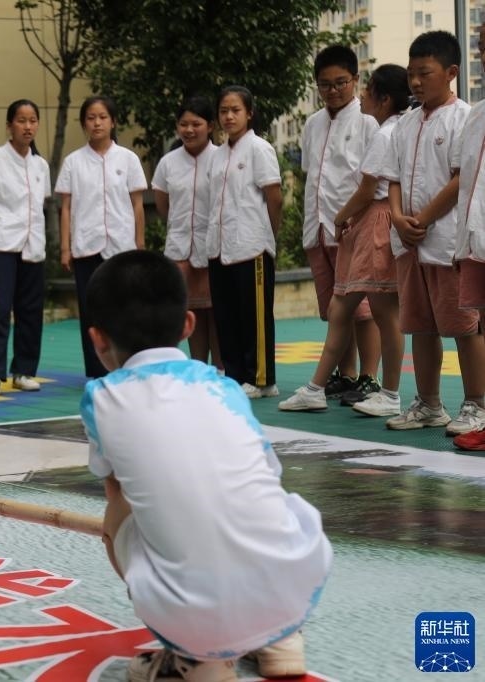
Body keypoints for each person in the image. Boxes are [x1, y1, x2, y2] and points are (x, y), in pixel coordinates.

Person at [82, 250, 331, 682]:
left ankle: (197, 658)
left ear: (97, 339)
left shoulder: (102, 398)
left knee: (117, 508)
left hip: (194, 620)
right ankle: (280, 640)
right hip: (293, 590)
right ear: (188, 325)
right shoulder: (224, 386)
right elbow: (268, 474)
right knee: (266, 495)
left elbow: (118, 493)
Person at [279, 64, 410, 416]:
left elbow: (368, 188)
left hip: (371, 222)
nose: (361, 94)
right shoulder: (396, 129)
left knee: (379, 312)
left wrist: (341, 216)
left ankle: (384, 389)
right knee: (343, 308)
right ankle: (320, 385)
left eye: (365, 88)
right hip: (362, 223)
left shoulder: (383, 132)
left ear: (383, 99)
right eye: (325, 83)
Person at [382, 31, 485, 435]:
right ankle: (428, 403)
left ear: (451, 72)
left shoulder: (464, 117)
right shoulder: (405, 124)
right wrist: (396, 217)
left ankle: (476, 403)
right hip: (409, 244)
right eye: (411, 74)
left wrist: (422, 218)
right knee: (420, 326)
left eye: (424, 73)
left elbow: (461, 179)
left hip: (443, 242)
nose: (415, 82)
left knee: (463, 327)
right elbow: (392, 178)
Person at [298, 46, 382, 406]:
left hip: (352, 229)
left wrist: (354, 219)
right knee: (335, 312)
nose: (333, 90)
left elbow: (372, 180)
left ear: (356, 79)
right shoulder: (312, 124)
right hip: (317, 228)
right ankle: (346, 374)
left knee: (362, 312)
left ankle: (369, 377)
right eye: (325, 84)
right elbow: (310, 174)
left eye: (340, 82)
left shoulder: (367, 122)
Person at [56, 95, 147, 379]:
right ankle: (97, 370)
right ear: (84, 123)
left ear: (113, 122)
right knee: (91, 311)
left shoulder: (128, 159)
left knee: (124, 307)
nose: (97, 123)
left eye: (103, 117)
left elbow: (137, 205)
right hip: (86, 247)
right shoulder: (73, 162)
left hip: (122, 247)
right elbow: (66, 207)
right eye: (91, 118)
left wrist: (139, 244)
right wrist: (65, 248)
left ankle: (127, 364)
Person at [0, 99, 50, 398]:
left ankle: (24, 371)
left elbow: (40, 203)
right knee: (0, 310)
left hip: (32, 244)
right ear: (9, 125)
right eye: (21, 120)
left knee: (31, 310)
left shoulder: (41, 165)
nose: (27, 126)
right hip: (0, 244)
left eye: (32, 120)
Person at [206, 86, 283, 398]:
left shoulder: (259, 149)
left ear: (249, 113)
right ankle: (235, 374)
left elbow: (274, 197)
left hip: (252, 245)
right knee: (226, 315)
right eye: (223, 111)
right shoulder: (217, 155)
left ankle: (262, 379)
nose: (229, 116)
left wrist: (269, 237)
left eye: (235, 110)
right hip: (220, 245)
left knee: (254, 316)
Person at [152, 96, 220, 369]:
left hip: (214, 249)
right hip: (180, 250)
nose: (189, 130)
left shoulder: (221, 158)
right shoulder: (168, 163)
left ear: (210, 126)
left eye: (196, 124)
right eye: (183, 124)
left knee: (217, 314)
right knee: (190, 314)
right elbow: (163, 205)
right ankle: (198, 368)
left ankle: (221, 371)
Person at [452, 25, 485, 451]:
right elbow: (467, 185)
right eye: (483, 46)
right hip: (477, 240)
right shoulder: (476, 115)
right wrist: (462, 242)